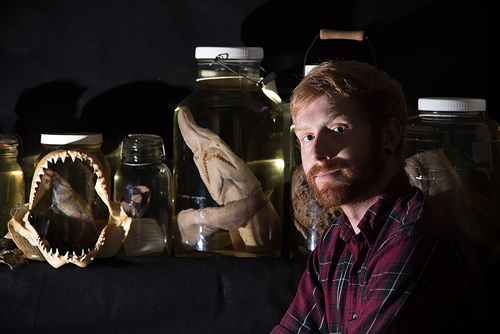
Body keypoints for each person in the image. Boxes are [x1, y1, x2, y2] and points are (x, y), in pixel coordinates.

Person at [272, 60, 488, 333]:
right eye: (307, 136)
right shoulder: (335, 241)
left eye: (338, 129)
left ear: (389, 136)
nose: (316, 153)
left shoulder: (417, 239)